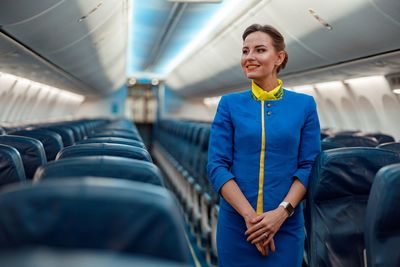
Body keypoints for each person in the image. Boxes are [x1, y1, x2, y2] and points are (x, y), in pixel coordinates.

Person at [207, 24, 321, 266]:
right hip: (237, 226)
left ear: (279, 57)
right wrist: (250, 218)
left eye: (259, 50)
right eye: (245, 51)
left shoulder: (304, 105)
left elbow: (309, 165)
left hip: (285, 227)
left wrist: (280, 214)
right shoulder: (229, 104)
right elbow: (217, 165)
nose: (249, 57)